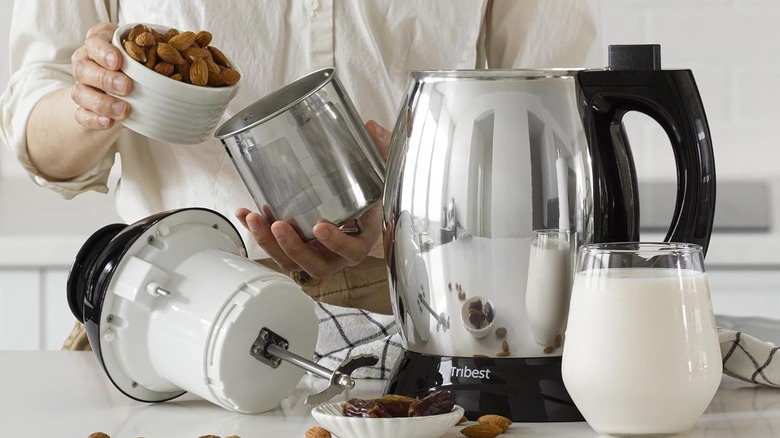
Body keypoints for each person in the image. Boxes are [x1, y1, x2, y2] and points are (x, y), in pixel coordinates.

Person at [0, 1, 601, 348]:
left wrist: (416, 209)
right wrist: (93, 103)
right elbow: (38, 136)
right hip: (169, 306)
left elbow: (550, 120)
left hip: (418, 304)